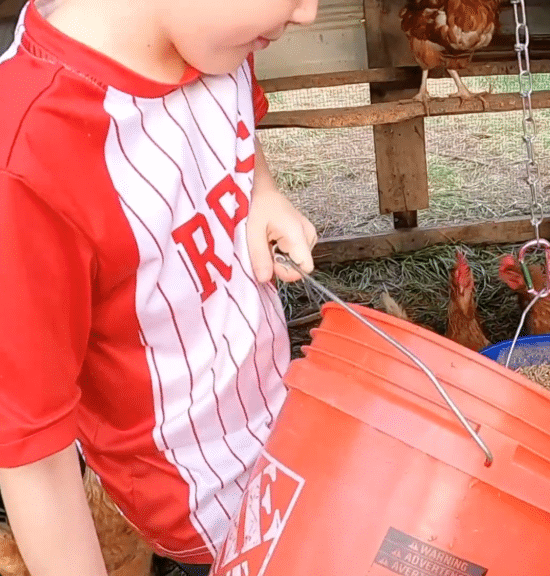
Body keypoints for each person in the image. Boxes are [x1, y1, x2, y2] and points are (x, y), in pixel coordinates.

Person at [0, 0, 319, 574]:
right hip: (203, 509)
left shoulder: (217, 38)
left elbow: (237, 118)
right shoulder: (30, 160)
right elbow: (32, 453)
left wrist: (261, 193)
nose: (310, 14)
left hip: (282, 427)